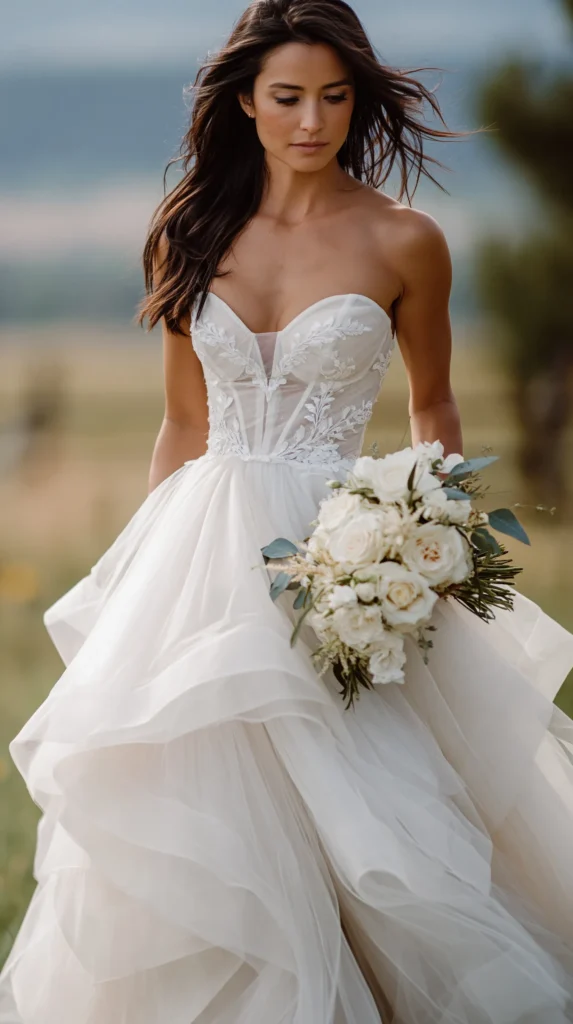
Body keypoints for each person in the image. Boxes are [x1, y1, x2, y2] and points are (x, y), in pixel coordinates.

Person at [1, 1, 572, 1021]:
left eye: (335, 96)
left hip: (346, 548)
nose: (313, 119)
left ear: (359, 101)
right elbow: (182, 428)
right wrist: (143, 590)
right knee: (203, 810)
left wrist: (428, 543)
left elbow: (432, 402)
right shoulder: (189, 230)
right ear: (246, 104)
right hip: (203, 552)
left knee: (371, 814)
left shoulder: (408, 241)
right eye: (288, 97)